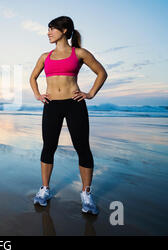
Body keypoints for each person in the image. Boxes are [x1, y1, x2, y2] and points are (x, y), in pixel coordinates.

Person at [29, 16, 108, 215]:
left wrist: (90, 94)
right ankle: (45, 189)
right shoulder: (44, 56)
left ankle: (86, 193)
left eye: (51, 29)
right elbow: (32, 77)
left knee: (82, 147)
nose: (48, 33)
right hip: (51, 105)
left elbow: (102, 73)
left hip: (75, 105)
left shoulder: (79, 53)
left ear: (64, 30)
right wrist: (38, 95)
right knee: (49, 146)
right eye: (48, 29)